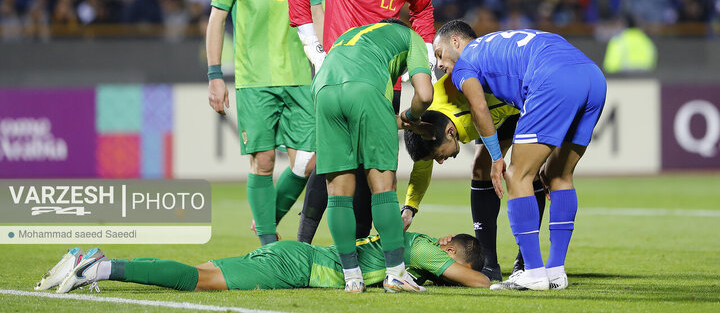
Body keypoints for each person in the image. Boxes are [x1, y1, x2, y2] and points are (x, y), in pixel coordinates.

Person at [285, 0, 440, 244]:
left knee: (375, 171)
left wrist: (425, 59)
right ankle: (301, 246)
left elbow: (424, 11)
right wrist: (312, 46)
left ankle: (356, 255)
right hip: (342, 75)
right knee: (335, 163)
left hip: (387, 83)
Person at [433, 20, 607, 291]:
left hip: (552, 78)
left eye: (439, 54)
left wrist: (495, 157)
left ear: (456, 42)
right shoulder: (497, 43)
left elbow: (480, 108)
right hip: (593, 77)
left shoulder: (465, 63)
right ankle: (556, 270)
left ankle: (534, 272)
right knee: (557, 174)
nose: (440, 64)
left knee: (517, 175)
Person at [206, 0, 325, 246]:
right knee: (263, 162)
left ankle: (266, 219)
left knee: (311, 160)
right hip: (255, 79)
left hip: (300, 77)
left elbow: (317, 12)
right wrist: (214, 75)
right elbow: (216, 20)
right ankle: (270, 248)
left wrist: (325, 63)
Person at [311, 19, 434, 293]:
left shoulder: (351, 33)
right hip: (366, 89)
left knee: (338, 193)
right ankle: (395, 274)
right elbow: (424, 95)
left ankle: (352, 278)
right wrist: (412, 117)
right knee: (384, 187)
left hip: (323, 90)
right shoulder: (410, 36)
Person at [402, 73, 548, 281]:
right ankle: (489, 263)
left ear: (450, 131)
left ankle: (526, 261)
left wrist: (548, 150)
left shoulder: (470, 113)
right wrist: (409, 208)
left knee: (526, 171)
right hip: (491, 106)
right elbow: (421, 167)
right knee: (481, 169)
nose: (441, 162)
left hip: (524, 97)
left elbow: (528, 98)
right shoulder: (428, 125)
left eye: (438, 156)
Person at [36, 232, 490, 294]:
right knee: (198, 281)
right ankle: (100, 266)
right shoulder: (422, 246)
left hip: (297, 256)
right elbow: (468, 278)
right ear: (448, 249)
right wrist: (497, 281)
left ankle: (97, 263)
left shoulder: (405, 251)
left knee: (202, 272)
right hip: (297, 268)